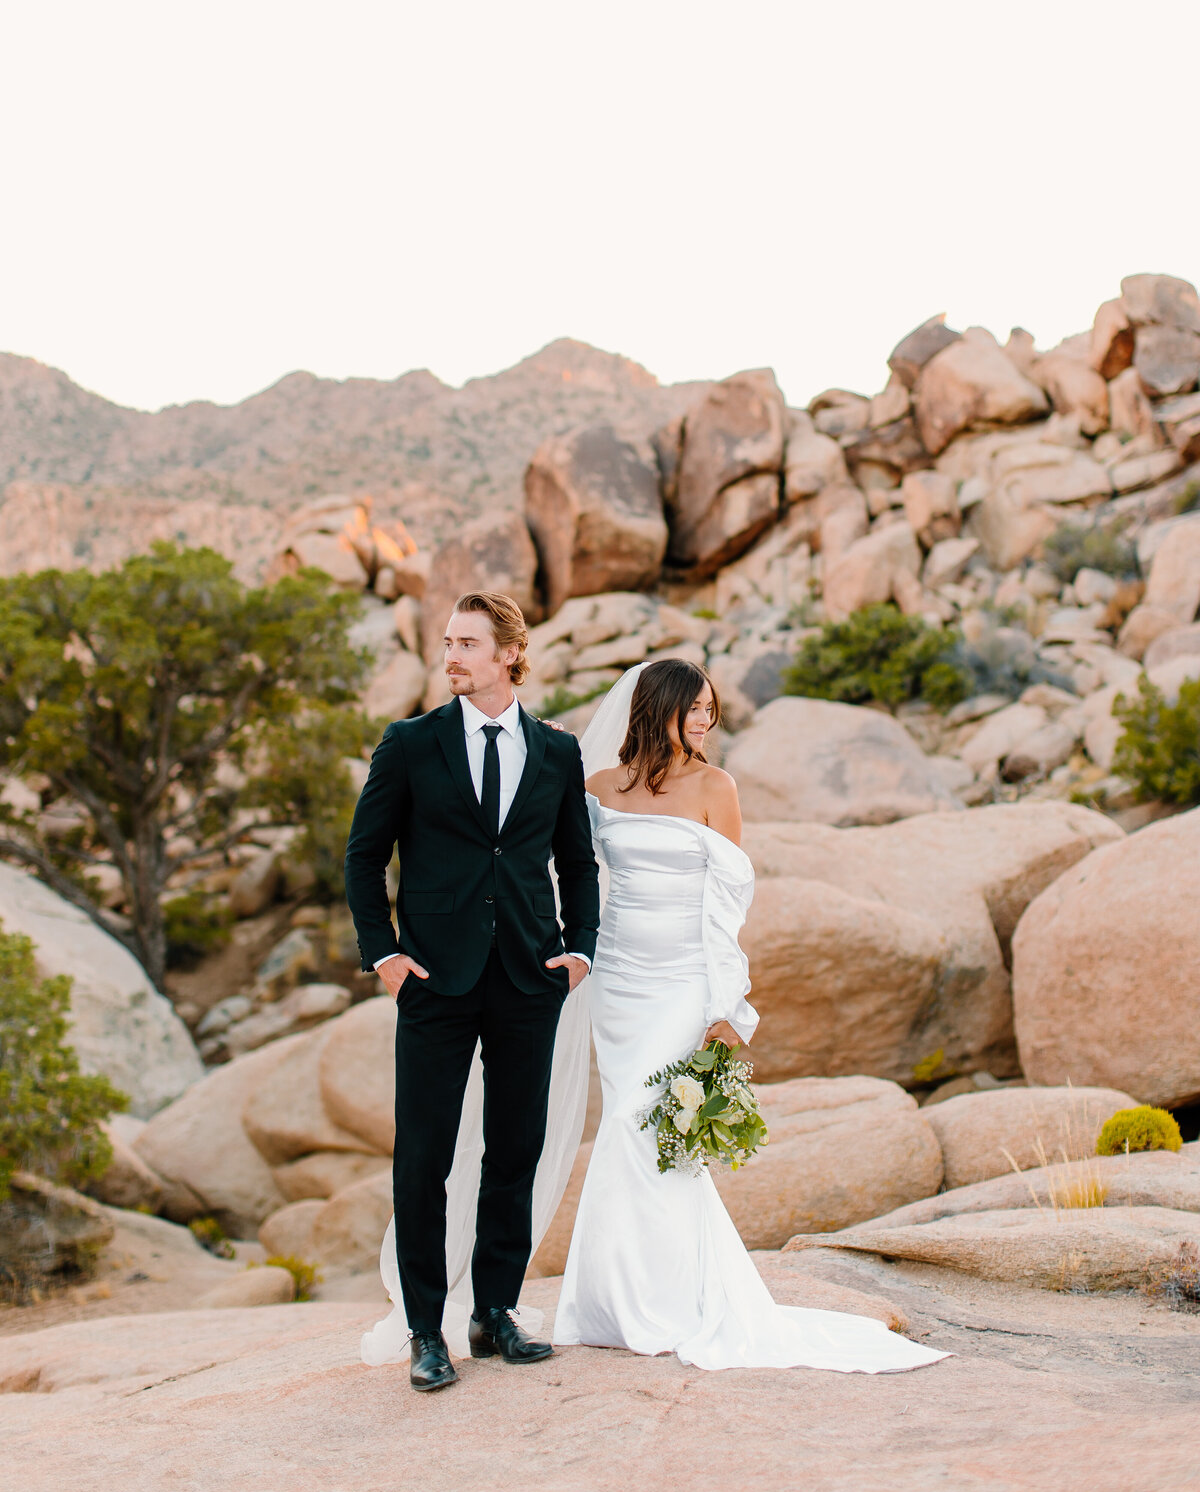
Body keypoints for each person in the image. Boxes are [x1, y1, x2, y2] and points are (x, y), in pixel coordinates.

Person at [553, 657, 949, 1374]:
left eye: (711, 709)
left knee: (646, 1126)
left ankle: (675, 1304)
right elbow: (575, 875)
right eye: (693, 708)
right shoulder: (599, 786)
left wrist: (724, 1006)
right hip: (616, 978)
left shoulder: (717, 788)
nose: (704, 721)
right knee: (623, 1129)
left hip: (679, 981)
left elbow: (727, 904)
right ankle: (610, 1302)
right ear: (656, 710)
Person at [345, 590, 599, 1393]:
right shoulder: (410, 744)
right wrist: (382, 954)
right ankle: (428, 1330)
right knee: (423, 1157)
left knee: (513, 1153)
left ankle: (495, 1312)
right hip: (432, 981)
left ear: (509, 657)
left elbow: (578, 863)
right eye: (447, 642)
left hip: (529, 978)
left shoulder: (556, 752)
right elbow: (363, 858)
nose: (450, 656)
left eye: (467, 644)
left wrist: (579, 951)